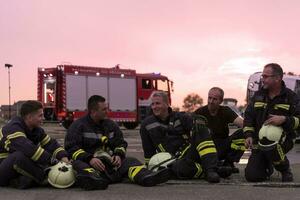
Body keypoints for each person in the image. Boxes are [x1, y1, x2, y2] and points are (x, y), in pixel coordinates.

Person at [64, 95, 170, 190]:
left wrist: (118, 154)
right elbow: (71, 148)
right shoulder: (78, 126)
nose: (107, 111)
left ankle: (147, 177)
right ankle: (94, 181)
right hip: (90, 164)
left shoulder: (111, 125)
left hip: (111, 165)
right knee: (78, 165)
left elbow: (121, 143)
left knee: (131, 161)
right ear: (93, 111)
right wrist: (90, 159)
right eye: (104, 109)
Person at [140, 91, 232, 183]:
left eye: (158, 103)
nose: (154, 107)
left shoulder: (180, 117)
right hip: (173, 161)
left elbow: (194, 120)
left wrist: (198, 121)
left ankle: (211, 170)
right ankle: (214, 170)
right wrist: (149, 168)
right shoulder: (146, 125)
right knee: (178, 169)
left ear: (167, 104)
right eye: (152, 104)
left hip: (191, 153)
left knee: (200, 128)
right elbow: (148, 150)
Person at [243, 63, 300, 182]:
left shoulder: (291, 97)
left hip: (284, 139)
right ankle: (268, 165)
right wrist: (248, 135)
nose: (262, 79)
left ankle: (284, 168)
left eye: (265, 76)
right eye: (262, 76)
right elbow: (248, 117)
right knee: (252, 176)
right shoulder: (258, 96)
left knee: (270, 136)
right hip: (260, 141)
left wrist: (284, 120)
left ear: (277, 78)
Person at [0, 100, 69, 189]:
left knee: (30, 167)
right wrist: (53, 161)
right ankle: (48, 178)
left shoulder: (36, 130)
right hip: (3, 166)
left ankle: (21, 181)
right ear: (29, 117)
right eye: (40, 115)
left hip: (18, 168)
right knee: (19, 156)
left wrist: (63, 157)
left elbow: (51, 144)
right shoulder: (12, 128)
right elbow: (28, 148)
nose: (43, 118)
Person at [194, 87, 245, 173]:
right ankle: (212, 165)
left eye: (214, 99)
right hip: (206, 149)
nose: (211, 101)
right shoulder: (200, 112)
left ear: (221, 101)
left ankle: (228, 162)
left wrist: (252, 129)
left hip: (222, 146)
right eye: (209, 98)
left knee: (244, 132)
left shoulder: (226, 111)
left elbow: (242, 124)